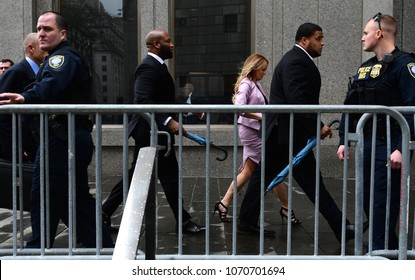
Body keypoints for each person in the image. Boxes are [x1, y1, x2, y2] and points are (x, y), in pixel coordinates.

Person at [237, 22, 364, 242]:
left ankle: (246, 222)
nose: (322, 42)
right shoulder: (296, 61)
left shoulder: (297, 60)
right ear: (304, 40)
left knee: (272, 178)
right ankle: (343, 230)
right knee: (312, 183)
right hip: (287, 135)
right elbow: (298, 101)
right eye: (318, 38)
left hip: (285, 134)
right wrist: (318, 126)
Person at [0, 11, 114, 248]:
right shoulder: (61, 57)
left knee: (43, 194)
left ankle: (37, 250)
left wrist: (25, 97)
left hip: (62, 139)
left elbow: (51, 87)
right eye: (39, 28)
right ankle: (102, 247)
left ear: (62, 34)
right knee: (73, 198)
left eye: (48, 29)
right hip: (66, 138)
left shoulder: (61, 58)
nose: (41, 33)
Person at [102, 29, 205, 234]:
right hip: (150, 132)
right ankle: (183, 222)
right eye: (168, 41)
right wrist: (168, 120)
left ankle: (103, 214)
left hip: (156, 132)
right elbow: (143, 101)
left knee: (151, 177)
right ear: (157, 44)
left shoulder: (158, 66)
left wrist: (187, 108)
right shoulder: (148, 68)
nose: (172, 44)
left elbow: (161, 98)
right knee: (162, 177)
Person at [337, 13, 415, 250]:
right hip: (367, 144)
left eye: (365, 33)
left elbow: (413, 108)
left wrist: (403, 147)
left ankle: (381, 255)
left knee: (384, 202)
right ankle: (384, 252)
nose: (362, 38)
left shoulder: (405, 65)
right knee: (368, 201)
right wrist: (343, 139)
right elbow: (350, 104)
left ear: (379, 34)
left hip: (391, 146)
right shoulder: (366, 68)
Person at [213, 53, 301, 225]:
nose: (264, 73)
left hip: (254, 131)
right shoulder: (247, 84)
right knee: (272, 170)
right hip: (252, 132)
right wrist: (262, 117)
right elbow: (239, 108)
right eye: (262, 70)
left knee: (248, 172)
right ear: (254, 68)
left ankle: (223, 204)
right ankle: (286, 208)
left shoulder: (255, 84)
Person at [0, 32, 47, 162]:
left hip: (32, 142)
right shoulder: (16, 72)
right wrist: (14, 149)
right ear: (31, 48)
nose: (46, 49)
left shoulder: (38, 71)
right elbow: (3, 114)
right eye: (42, 45)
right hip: (21, 146)